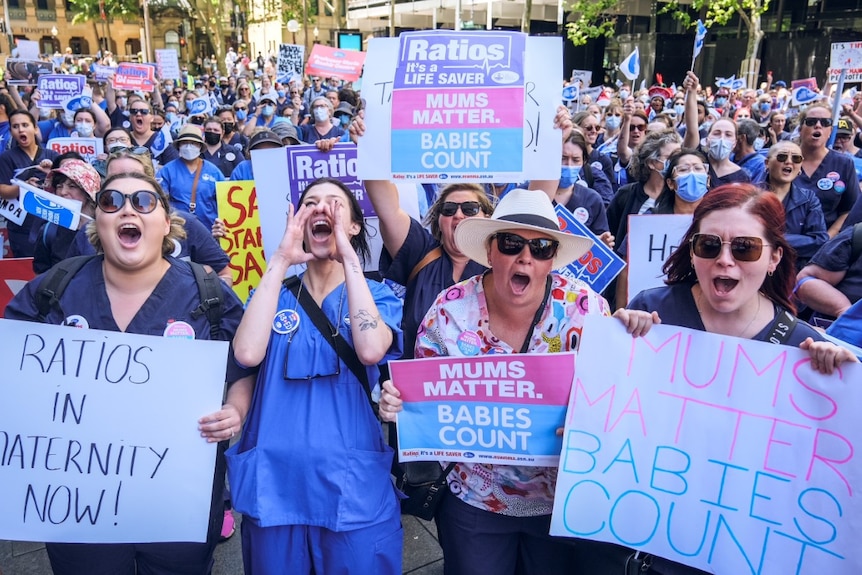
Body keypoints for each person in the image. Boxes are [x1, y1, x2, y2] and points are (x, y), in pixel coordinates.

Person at [5, 171, 255, 574]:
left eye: (143, 201)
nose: (127, 209)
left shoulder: (206, 293)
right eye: (111, 201)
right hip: (78, 512)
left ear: (165, 223)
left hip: (178, 507)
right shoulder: (56, 286)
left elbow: (244, 364)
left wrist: (236, 410)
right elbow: (14, 368)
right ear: (98, 224)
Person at [378, 189, 609, 575]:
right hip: (473, 501)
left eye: (541, 248)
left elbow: (610, 397)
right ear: (489, 251)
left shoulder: (586, 311)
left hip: (560, 502)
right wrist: (396, 403)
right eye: (512, 243)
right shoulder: (449, 311)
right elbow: (422, 398)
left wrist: (636, 335)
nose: (525, 257)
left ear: (552, 258)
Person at [227, 177, 404, 574]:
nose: (322, 209)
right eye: (311, 203)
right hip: (275, 489)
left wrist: (350, 260)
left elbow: (371, 348)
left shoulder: (380, 294)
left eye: (334, 204)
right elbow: (246, 352)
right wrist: (279, 261)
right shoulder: (274, 291)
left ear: (356, 225)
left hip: (351, 492)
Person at [794, 103, 860, 235]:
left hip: (826, 245)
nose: (818, 125)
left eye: (825, 122)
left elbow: (850, 209)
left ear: (830, 131)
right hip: (786, 243)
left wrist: (827, 240)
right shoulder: (784, 159)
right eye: (811, 121)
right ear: (801, 129)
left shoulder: (844, 164)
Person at [0, 110, 59, 257]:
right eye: (15, 126)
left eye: (25, 125)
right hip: (21, 225)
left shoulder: (52, 155)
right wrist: (23, 188)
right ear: (11, 131)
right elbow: (3, 190)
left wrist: (52, 173)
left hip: (49, 222)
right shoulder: (6, 158)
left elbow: (64, 187)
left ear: (35, 128)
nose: (21, 129)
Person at [762, 142, 828, 271]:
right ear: (767, 163)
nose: (789, 162)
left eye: (796, 158)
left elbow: (819, 240)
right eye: (782, 157)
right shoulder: (750, 195)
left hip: (793, 271)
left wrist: (772, 239)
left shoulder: (809, 199)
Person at [682, 72, 749, 189]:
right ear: (707, 139)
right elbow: (692, 129)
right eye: (717, 133)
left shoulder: (742, 177)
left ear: (735, 142)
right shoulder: (697, 159)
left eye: (728, 134)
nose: (722, 138)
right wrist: (692, 92)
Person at [33, 159, 101, 273]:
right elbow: (40, 276)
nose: (63, 192)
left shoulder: (106, 228)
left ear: (87, 190)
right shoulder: (48, 231)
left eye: (72, 186)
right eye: (59, 186)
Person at [160, 124, 225, 231]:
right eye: (185, 143)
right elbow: (161, 201)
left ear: (200, 146)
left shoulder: (213, 172)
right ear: (179, 146)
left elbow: (224, 201)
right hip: (178, 229)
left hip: (208, 229)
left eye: (193, 143)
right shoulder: (167, 171)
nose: (189, 146)